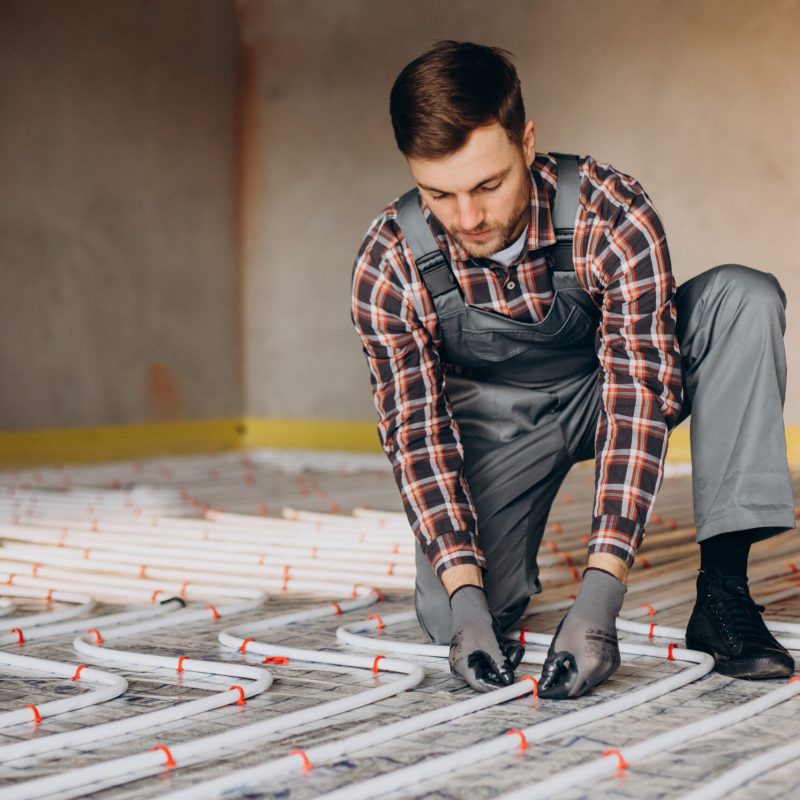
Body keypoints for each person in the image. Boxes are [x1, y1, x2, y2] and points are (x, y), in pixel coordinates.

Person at [351, 40, 796, 697]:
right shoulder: (388, 262)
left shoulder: (609, 213)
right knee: (447, 614)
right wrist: (466, 595)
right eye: (438, 195)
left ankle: (723, 591)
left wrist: (600, 595)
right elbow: (417, 437)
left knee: (742, 298)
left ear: (527, 142)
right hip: (496, 429)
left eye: (488, 184)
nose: (468, 218)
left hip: (603, 389)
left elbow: (638, 392)